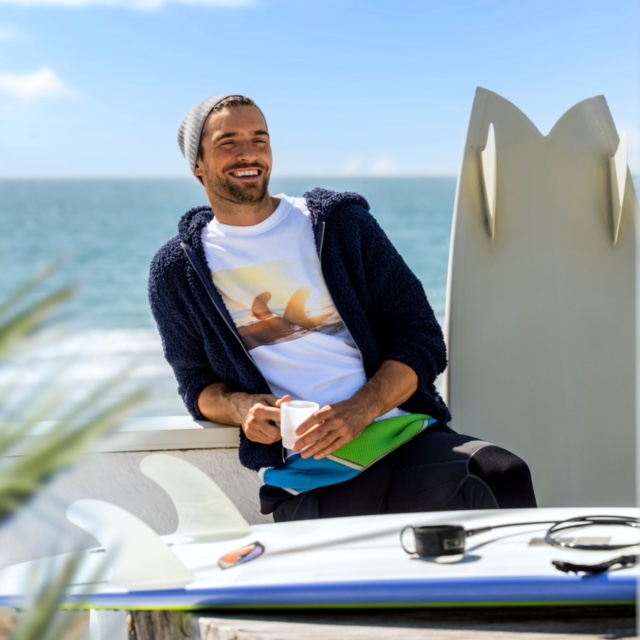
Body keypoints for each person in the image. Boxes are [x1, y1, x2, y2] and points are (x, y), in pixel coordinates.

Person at [149, 94, 536, 521]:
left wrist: (361, 409)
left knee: (500, 473)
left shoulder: (338, 225)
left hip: (396, 433)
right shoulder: (177, 271)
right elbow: (197, 386)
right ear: (198, 164)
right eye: (229, 143)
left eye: (260, 140)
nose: (249, 154)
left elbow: (420, 337)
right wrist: (241, 409)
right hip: (308, 468)